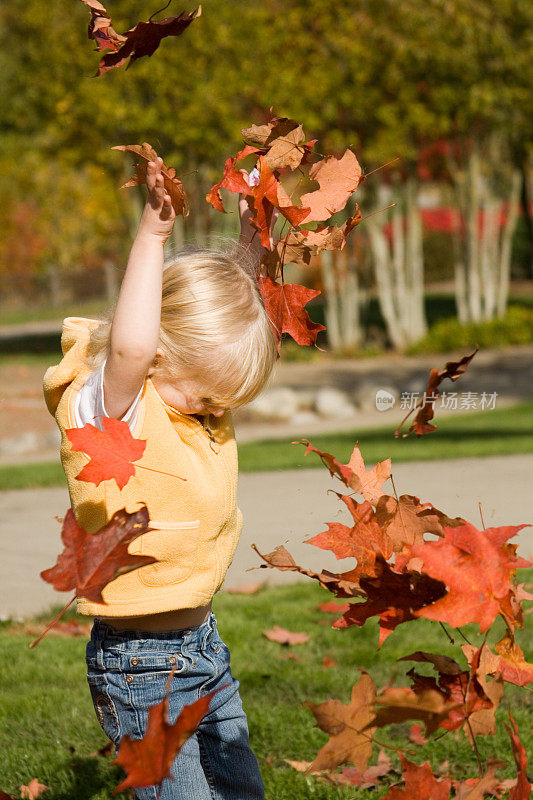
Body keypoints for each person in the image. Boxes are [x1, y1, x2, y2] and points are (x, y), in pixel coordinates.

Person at [43, 157, 278, 799]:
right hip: (140, 668)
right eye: (207, 400)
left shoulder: (190, 401)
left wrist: (259, 213)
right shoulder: (116, 409)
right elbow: (131, 348)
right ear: (163, 354)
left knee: (241, 793)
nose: (215, 414)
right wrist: (152, 234)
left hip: (205, 650)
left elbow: (236, 289)